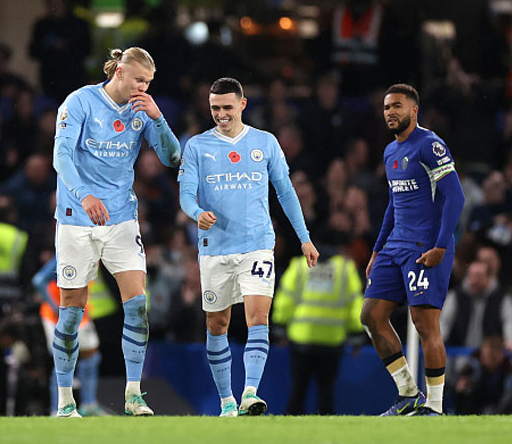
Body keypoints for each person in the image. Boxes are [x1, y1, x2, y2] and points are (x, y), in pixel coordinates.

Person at [178, 77, 319, 417]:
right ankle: (226, 401)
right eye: (215, 108)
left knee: (258, 316)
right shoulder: (197, 146)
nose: (221, 114)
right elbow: (185, 194)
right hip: (215, 248)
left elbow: (286, 192)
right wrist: (196, 213)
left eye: (227, 107)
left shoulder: (265, 142)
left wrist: (304, 237)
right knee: (217, 324)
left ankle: (250, 393)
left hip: (257, 244)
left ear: (243, 104)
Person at [52, 46, 180, 418]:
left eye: (149, 82)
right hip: (77, 217)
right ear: (119, 72)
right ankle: (65, 401)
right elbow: (61, 156)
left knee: (137, 304)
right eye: (139, 80)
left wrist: (158, 118)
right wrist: (85, 195)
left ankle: (134, 395)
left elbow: (172, 157)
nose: (144, 88)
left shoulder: (143, 110)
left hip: (121, 218)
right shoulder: (79, 102)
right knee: (72, 313)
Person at [360, 83, 465, 416]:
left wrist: (441, 246)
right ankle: (408, 394)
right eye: (386, 107)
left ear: (414, 110)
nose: (390, 112)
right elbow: (394, 204)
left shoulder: (430, 145)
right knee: (371, 316)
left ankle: (435, 407)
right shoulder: (390, 151)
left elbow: (455, 196)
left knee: (424, 325)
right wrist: (377, 250)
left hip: (424, 246)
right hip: (395, 246)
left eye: (397, 106)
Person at [272, 238, 364, 415]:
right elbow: (355, 304)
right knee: (326, 390)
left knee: (298, 388)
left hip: (301, 337)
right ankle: (327, 426)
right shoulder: (345, 269)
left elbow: (285, 299)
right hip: (332, 339)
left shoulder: (300, 265)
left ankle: (290, 426)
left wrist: (280, 326)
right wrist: (356, 334)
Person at [32, 257, 106, 416]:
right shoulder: (67, 255)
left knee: (92, 358)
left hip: (80, 314)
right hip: (58, 316)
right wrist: (55, 306)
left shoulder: (95, 257)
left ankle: (89, 405)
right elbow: (39, 281)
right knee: (63, 361)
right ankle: (58, 408)